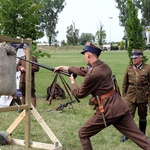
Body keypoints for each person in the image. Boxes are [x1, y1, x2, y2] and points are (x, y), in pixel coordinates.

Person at [54, 42, 150, 150]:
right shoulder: (104, 66)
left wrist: (72, 82)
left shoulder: (93, 74)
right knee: (141, 139)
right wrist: (64, 68)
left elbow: (79, 94)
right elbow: (84, 70)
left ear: (88, 55)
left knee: (83, 133)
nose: (84, 57)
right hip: (120, 107)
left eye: (84, 54)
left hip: (108, 110)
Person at [120, 49, 150, 142]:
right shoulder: (129, 68)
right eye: (132, 58)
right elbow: (125, 83)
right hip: (130, 96)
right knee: (128, 116)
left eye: (135, 58)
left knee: (142, 116)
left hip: (143, 96)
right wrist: (125, 96)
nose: (133, 60)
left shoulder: (148, 68)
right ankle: (127, 134)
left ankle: (142, 133)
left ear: (141, 58)